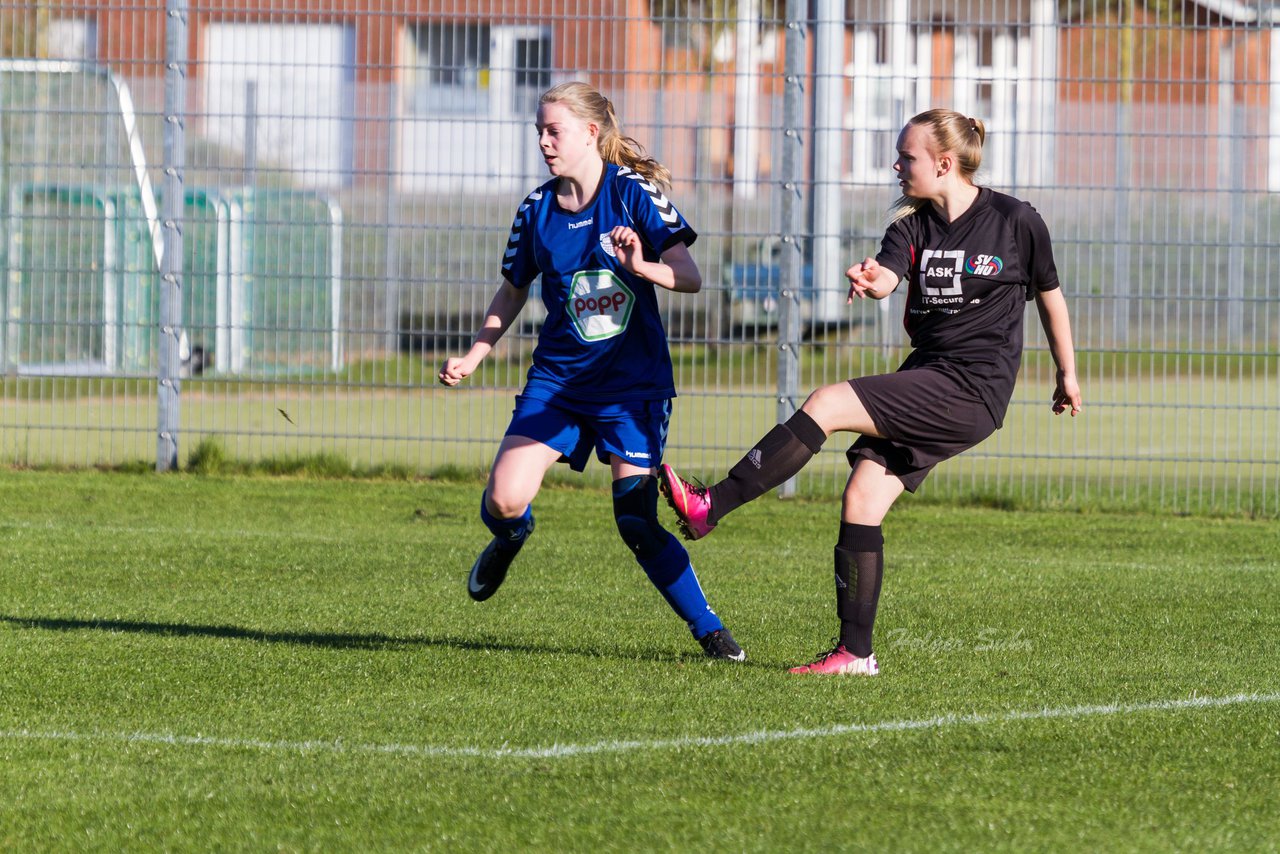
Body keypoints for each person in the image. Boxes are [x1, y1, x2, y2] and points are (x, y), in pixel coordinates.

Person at [660, 109, 1082, 675]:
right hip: (928, 374)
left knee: (827, 402)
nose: (896, 166)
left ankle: (714, 505)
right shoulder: (910, 225)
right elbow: (887, 278)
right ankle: (855, 653)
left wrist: (1067, 373)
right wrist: (869, 278)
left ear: (944, 163)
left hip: (973, 387)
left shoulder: (1016, 220)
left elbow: (1050, 296)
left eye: (907, 157)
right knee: (861, 497)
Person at [438, 81, 745, 661]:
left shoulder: (632, 194)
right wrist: (475, 354)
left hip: (631, 389)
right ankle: (512, 535)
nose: (544, 142)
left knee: (634, 519)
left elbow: (691, 275)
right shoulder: (536, 209)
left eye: (553, 131)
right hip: (559, 381)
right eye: (539, 132)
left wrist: (640, 265)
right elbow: (513, 290)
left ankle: (709, 631)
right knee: (504, 500)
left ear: (590, 133)